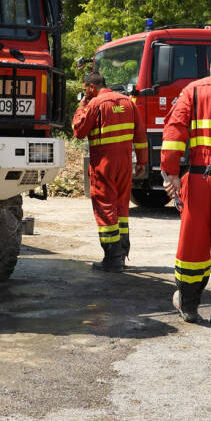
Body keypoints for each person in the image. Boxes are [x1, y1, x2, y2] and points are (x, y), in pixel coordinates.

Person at [160, 43, 211, 346]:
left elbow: (174, 132)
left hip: (198, 176)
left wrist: (170, 174)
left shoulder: (193, 90)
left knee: (192, 244)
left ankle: (190, 307)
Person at [72, 72, 147, 272]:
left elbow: (79, 131)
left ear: (91, 87)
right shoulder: (129, 103)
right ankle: (121, 254)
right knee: (121, 207)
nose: (84, 94)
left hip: (103, 164)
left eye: (84, 89)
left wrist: (81, 108)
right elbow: (140, 135)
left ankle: (112, 259)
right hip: (124, 164)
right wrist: (142, 161)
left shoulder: (95, 104)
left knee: (105, 207)